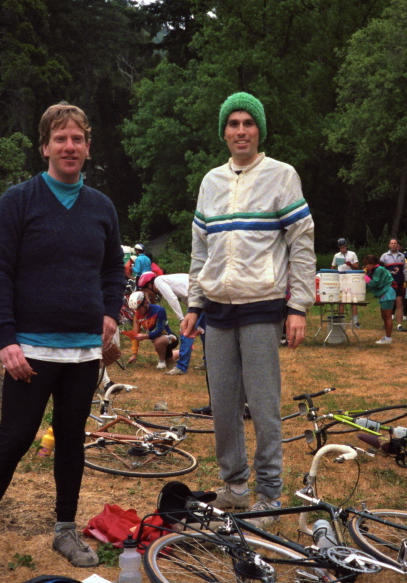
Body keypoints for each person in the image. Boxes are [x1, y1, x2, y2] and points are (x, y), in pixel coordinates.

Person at [0, 102, 126, 583]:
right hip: (29, 350)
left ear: (88, 147)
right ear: (45, 146)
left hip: (83, 351)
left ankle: (65, 529)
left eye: (79, 139)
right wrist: (5, 339)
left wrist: (110, 311)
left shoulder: (102, 207)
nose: (70, 147)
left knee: (71, 440)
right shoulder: (19, 200)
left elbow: (113, 270)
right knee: (13, 440)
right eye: (60, 138)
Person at [180, 92, 315, 528]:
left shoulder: (282, 175)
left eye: (248, 123)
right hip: (217, 308)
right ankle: (236, 486)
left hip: (262, 306)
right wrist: (195, 303)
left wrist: (298, 307)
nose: (241, 131)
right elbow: (201, 251)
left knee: (262, 404)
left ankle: (270, 496)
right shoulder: (211, 181)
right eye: (233, 124)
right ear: (224, 132)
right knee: (222, 405)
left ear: (259, 130)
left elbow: (302, 243)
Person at [137, 271, 203, 375]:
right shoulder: (169, 280)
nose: (148, 294)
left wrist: (182, 319)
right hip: (202, 294)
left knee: (186, 333)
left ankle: (181, 367)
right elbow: (185, 298)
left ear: (150, 285)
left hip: (200, 295)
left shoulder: (159, 281)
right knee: (204, 331)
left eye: (146, 291)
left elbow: (172, 298)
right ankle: (207, 361)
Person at [123, 291, 178, 369]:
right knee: (170, 360)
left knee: (158, 341)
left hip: (170, 337)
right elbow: (135, 334)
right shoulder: (137, 315)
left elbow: (159, 331)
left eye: (139, 308)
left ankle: (161, 362)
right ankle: (183, 351)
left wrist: (145, 336)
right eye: (135, 309)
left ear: (145, 303)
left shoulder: (159, 310)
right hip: (157, 340)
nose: (137, 311)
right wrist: (134, 354)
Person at [362, 255, 395, 344]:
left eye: (366, 265)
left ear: (372, 264)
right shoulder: (375, 270)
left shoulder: (379, 269)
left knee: (387, 316)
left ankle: (388, 338)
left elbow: (374, 283)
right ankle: (387, 336)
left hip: (387, 293)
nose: (365, 267)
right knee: (384, 316)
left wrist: (365, 277)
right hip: (384, 294)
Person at [332, 238, 360, 328]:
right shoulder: (336, 255)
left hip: (351, 277)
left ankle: (355, 320)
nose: (342, 249)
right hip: (341, 277)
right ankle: (341, 319)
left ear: (346, 246)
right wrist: (334, 275)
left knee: (353, 299)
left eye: (343, 247)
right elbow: (333, 266)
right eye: (340, 248)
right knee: (341, 300)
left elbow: (357, 266)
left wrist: (350, 264)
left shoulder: (352, 254)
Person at [380, 238, 406, 329]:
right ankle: (387, 322)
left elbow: (405, 270)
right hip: (388, 283)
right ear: (389, 245)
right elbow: (380, 270)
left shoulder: (402, 256)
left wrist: (406, 280)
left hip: (399, 282)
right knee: (389, 303)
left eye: (395, 243)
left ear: (397, 245)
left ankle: (399, 325)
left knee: (399, 302)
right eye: (392, 243)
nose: (394, 245)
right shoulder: (384, 256)